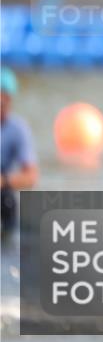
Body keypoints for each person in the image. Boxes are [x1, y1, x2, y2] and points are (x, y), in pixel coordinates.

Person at [0, 67, 38, 236]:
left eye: (5, 98)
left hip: (3, 193)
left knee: (7, 200)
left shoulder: (18, 130)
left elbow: (31, 177)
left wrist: (3, 181)